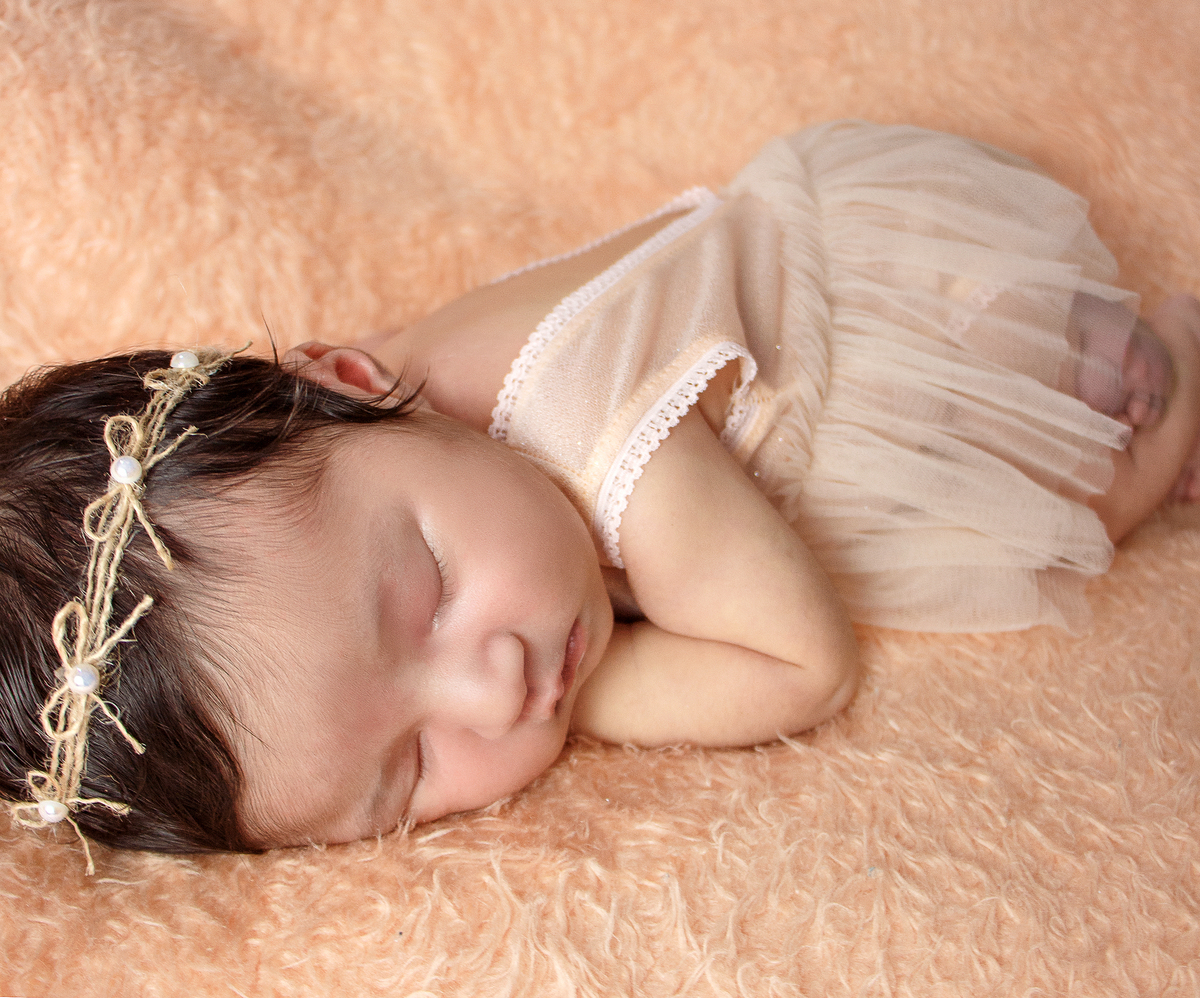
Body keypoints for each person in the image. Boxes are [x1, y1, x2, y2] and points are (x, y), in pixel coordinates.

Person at [2, 121, 1199, 867]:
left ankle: (1178, 365)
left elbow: (801, 661)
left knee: (1059, 508)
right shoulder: (381, 426)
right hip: (823, 291)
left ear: (346, 379)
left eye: (431, 594)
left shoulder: (593, 413)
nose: (496, 690)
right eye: (409, 770)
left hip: (906, 322)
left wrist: (609, 689)